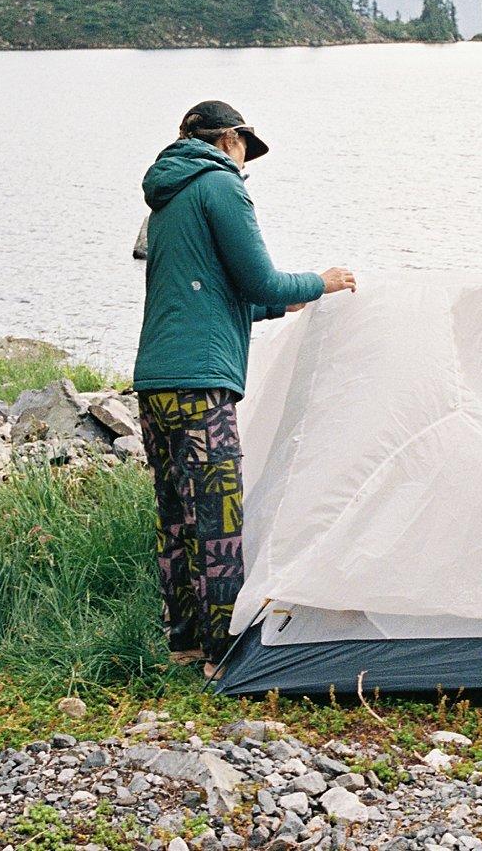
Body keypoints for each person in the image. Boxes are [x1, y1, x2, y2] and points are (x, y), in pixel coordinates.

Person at [134, 100, 356, 677]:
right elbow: (258, 276)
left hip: (155, 380)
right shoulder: (221, 186)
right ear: (231, 139)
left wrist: (285, 302)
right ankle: (225, 656)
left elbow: (219, 295)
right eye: (243, 151)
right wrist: (323, 282)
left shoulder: (167, 195)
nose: (244, 164)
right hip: (203, 381)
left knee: (176, 515)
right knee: (218, 516)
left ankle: (183, 643)